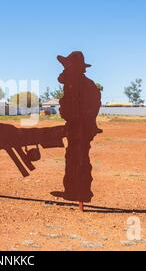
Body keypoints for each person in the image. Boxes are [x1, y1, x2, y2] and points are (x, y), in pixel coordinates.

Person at [58, 52, 102, 210]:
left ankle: (82, 193)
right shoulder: (71, 83)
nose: (64, 70)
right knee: (71, 156)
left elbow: (92, 106)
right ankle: (71, 191)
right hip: (75, 126)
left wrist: (83, 122)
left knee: (81, 159)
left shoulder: (86, 85)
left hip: (82, 127)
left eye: (68, 66)